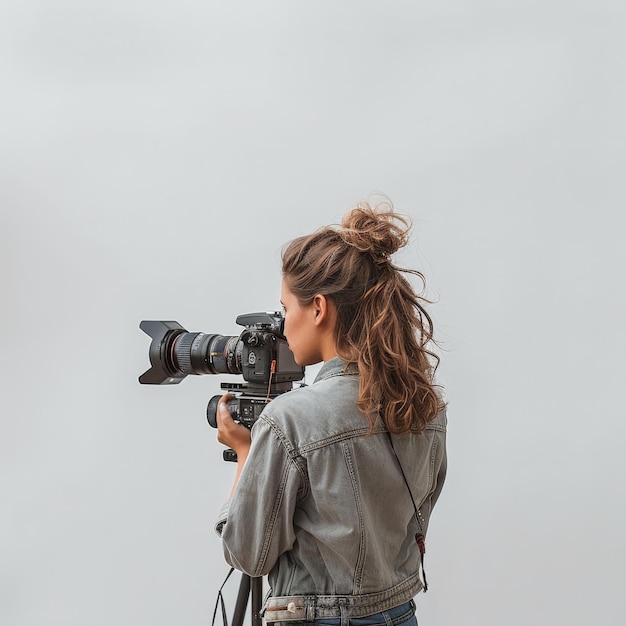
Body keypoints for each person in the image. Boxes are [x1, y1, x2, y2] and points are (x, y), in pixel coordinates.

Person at [214, 199, 447, 626]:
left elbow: (247, 554)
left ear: (319, 308)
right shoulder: (423, 404)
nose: (282, 326)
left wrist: (246, 455)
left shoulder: (291, 419)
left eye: (287, 309)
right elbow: (414, 528)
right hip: (399, 614)